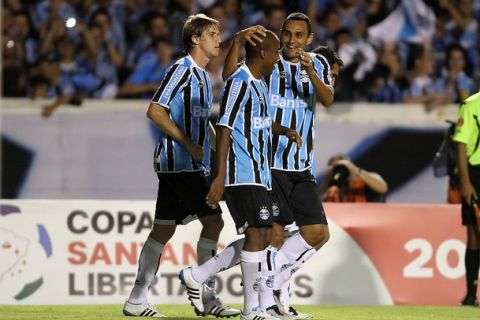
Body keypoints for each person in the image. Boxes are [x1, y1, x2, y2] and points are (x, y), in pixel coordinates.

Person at [123, 14, 240, 318]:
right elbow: (155, 110)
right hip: (179, 164)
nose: (218, 39)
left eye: (218, 33)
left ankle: (137, 299)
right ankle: (208, 297)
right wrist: (187, 143)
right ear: (196, 39)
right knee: (214, 222)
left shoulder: (203, 75)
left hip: (185, 166)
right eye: (212, 34)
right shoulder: (181, 69)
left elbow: (205, 126)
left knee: (162, 230)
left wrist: (224, 153)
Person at [180, 29, 302, 320]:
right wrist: (221, 176)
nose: (278, 58)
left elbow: (256, 120)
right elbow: (224, 127)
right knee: (257, 234)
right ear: (263, 54)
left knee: (261, 235)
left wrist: (282, 130)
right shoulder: (240, 83)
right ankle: (252, 309)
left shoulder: (257, 84)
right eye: (275, 53)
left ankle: (199, 276)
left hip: (259, 174)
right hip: (241, 172)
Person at [453, 91, 480, 306]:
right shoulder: (471, 105)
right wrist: (465, 182)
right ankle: (471, 294)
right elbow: (460, 144)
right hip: (476, 174)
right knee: (474, 235)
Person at [318, 154, 389, 203]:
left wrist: (355, 170)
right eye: (335, 168)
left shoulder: (368, 177)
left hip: (371, 217)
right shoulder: (332, 186)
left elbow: (383, 188)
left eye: (341, 167)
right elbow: (317, 205)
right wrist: (327, 181)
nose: (339, 172)